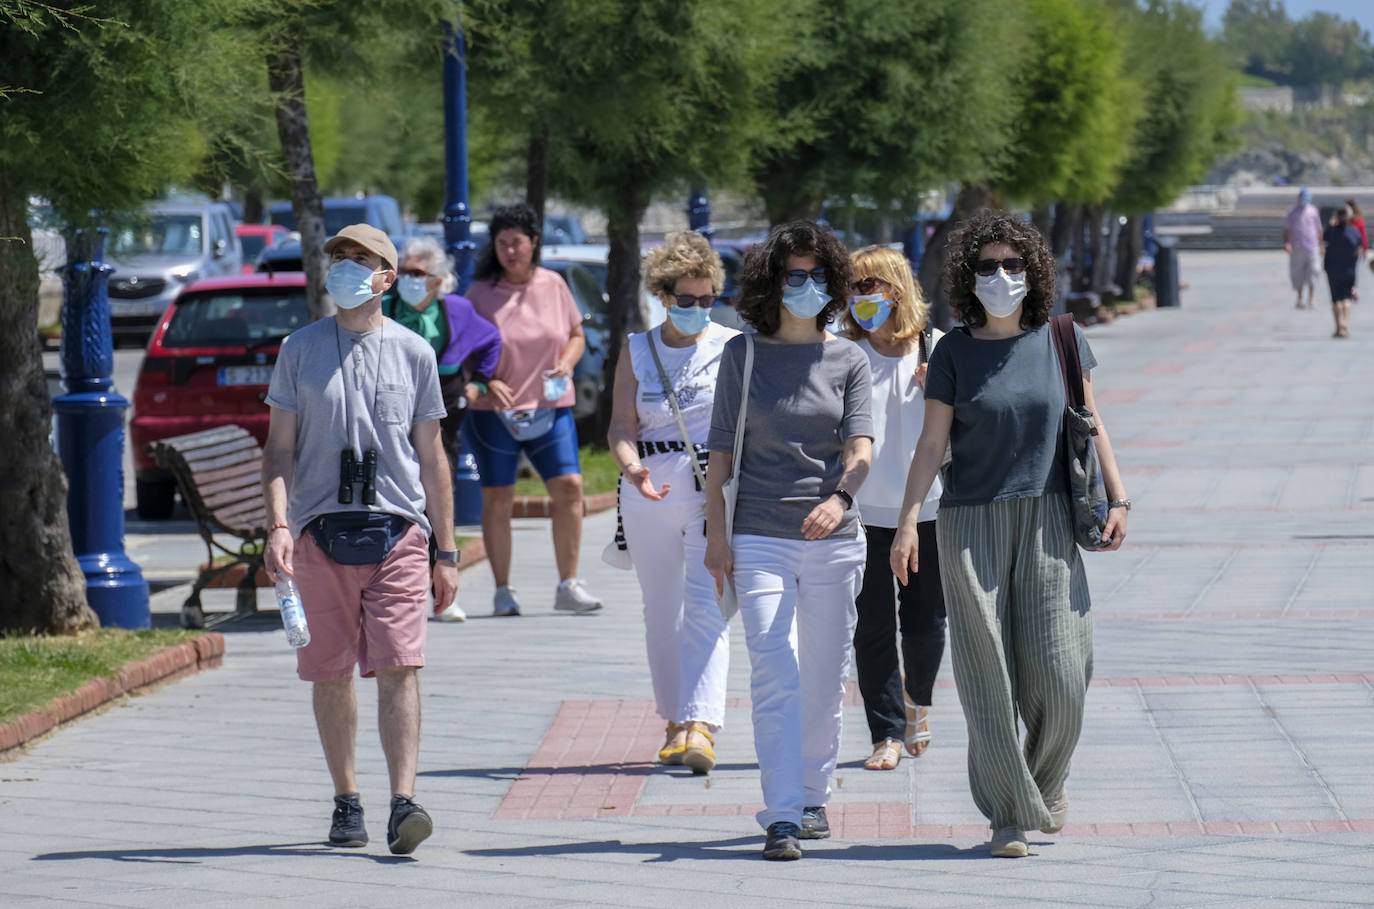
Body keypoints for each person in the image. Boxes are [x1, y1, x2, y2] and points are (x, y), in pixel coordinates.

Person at [889, 209, 1130, 859]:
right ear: (970, 277)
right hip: (971, 521)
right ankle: (1007, 813)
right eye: (988, 266)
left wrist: (1119, 495)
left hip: (1050, 516)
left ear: (1033, 271)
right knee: (987, 675)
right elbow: (931, 442)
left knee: (1060, 670)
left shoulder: (1062, 338)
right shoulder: (954, 352)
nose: (1001, 275)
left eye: (1012, 264)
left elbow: (1090, 417)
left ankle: (1045, 782)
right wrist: (909, 518)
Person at [261, 223, 458, 856]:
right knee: (330, 672)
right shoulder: (299, 348)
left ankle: (404, 800)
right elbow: (279, 450)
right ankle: (347, 798)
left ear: (387, 277)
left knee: (400, 666)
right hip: (319, 533)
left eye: (361, 260)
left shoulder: (413, 353)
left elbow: (433, 458)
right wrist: (278, 526)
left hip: (398, 531)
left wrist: (446, 551)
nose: (346, 268)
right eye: (338, 259)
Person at [704, 220, 873, 861]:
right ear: (772, 282)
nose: (805, 287)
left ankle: (813, 796)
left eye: (817, 276)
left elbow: (860, 448)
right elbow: (721, 454)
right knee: (775, 668)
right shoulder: (741, 356)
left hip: (834, 537)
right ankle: (780, 814)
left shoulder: (848, 358)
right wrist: (716, 538)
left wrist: (840, 499)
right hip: (759, 535)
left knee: (825, 676)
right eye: (793, 275)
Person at [606, 231, 736, 774]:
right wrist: (632, 467)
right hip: (648, 488)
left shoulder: (730, 345)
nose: (699, 309)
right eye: (687, 300)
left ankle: (701, 724)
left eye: (708, 299)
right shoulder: (638, 349)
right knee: (661, 612)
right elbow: (619, 424)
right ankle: (673, 720)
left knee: (708, 605)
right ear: (663, 295)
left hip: (711, 487)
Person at [462, 203, 603, 616]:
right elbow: (463, 351)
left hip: (551, 405)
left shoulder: (554, 284)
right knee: (498, 498)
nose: (510, 251)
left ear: (534, 243)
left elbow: (577, 334)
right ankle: (503, 590)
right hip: (495, 411)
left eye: (517, 242)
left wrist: (568, 361)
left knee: (570, 488)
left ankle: (568, 584)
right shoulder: (480, 293)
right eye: (502, 243)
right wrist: (486, 379)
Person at [840, 245, 946, 772]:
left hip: (926, 514)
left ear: (896, 290)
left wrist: (945, 397)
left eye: (869, 286)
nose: (860, 298)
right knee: (872, 628)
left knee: (926, 624)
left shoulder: (937, 349)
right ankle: (885, 733)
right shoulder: (842, 354)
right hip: (861, 516)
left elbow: (964, 432)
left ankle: (917, 700)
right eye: (853, 288)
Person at [382, 236, 503, 623]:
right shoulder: (383, 308)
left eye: (418, 273)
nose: (408, 279)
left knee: (439, 488)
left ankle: (440, 590)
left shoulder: (457, 310)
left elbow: (491, 341)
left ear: (437, 280)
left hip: (445, 409)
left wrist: (479, 384)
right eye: (404, 272)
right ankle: (395, 585)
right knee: (396, 489)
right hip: (391, 409)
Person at [1323, 205, 1361, 339]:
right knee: (1347, 297)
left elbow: (1323, 241)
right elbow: (1359, 248)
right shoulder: (1354, 231)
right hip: (1349, 270)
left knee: (1336, 299)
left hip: (1333, 269)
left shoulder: (1331, 231)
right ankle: (1345, 322)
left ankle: (1338, 326)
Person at [1284, 188, 1323, 309]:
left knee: (1314, 271)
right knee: (1298, 272)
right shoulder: (1292, 211)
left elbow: (1319, 229)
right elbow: (1286, 229)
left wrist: (1321, 245)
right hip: (1297, 246)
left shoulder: (1313, 211)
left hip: (1312, 246)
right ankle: (1300, 298)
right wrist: (1287, 243)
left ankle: (1311, 298)